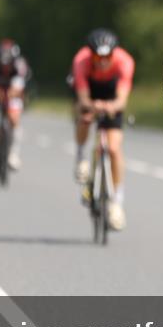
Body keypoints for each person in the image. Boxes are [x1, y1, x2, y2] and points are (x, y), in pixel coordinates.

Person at [71, 28, 135, 230]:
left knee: (114, 148)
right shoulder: (81, 61)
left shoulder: (125, 62)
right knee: (84, 119)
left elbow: (122, 101)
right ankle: (81, 156)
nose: (103, 60)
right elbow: (82, 98)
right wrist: (90, 108)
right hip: (90, 89)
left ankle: (116, 201)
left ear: (113, 53)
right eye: (98, 56)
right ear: (91, 54)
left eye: (107, 56)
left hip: (111, 94)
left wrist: (109, 107)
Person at [0, 39, 29, 170]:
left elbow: (19, 88)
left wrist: (11, 94)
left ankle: (13, 153)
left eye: (8, 63)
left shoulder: (19, 65)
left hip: (11, 90)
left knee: (14, 119)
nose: (5, 67)